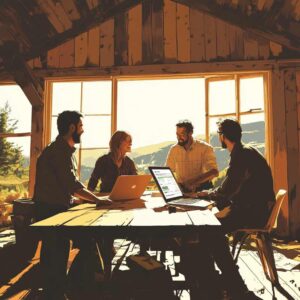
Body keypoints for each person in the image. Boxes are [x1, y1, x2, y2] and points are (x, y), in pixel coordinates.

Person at [184, 118, 275, 299]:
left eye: (219, 135)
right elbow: (233, 190)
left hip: (253, 213)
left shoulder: (241, 156)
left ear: (223, 136)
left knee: (209, 230)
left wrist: (205, 195)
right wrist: (213, 197)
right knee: (210, 227)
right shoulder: (246, 152)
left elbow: (228, 190)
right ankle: (222, 282)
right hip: (256, 209)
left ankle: (232, 286)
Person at [33, 110, 111, 300]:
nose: (83, 130)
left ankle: (68, 288)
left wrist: (79, 199)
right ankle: (68, 290)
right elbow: (72, 185)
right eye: (81, 126)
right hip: (51, 212)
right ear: (71, 128)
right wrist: (98, 200)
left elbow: (64, 186)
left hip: (58, 208)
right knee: (59, 257)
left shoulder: (65, 150)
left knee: (64, 252)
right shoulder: (59, 151)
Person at [166, 120, 218, 192]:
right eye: (177, 134)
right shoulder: (174, 149)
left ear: (190, 133)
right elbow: (167, 172)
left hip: (202, 189)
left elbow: (214, 172)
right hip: (182, 189)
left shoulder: (205, 148)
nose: (179, 137)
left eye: (182, 134)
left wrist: (193, 181)